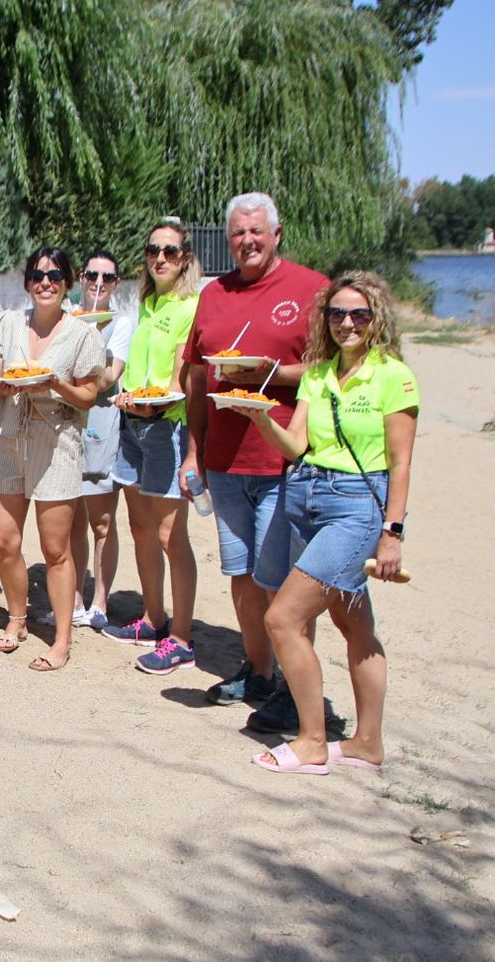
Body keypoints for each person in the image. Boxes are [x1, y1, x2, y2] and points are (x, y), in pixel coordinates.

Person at [231, 272, 417, 773]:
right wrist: (259, 416)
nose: (347, 323)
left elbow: (400, 464)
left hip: (357, 507)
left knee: (283, 618)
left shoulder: (392, 376)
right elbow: (296, 445)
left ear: (376, 317)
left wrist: (392, 534)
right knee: (353, 622)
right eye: (337, 314)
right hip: (307, 496)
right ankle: (366, 744)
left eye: (358, 313)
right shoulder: (318, 373)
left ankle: (313, 741)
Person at [180, 192, 328, 725]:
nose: (247, 241)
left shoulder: (311, 289)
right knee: (241, 574)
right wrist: (194, 451)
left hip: (285, 459)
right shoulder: (214, 293)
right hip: (223, 460)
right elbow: (198, 377)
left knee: (281, 579)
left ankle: (295, 686)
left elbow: (331, 371)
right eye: (238, 233)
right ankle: (258, 671)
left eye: (256, 231)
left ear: (277, 233)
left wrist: (270, 372)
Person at [0, 247, 106, 671]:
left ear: (67, 282)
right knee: (5, 541)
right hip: (8, 439)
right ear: (27, 282)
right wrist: (6, 386)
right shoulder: (9, 324)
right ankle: (17, 617)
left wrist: (56, 382)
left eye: (55, 275)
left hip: (57, 443)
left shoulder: (82, 335)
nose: (45, 282)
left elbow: (90, 394)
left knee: (55, 549)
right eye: (37, 274)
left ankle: (61, 640)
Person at [105, 222, 202, 674]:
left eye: (170, 251)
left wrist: (150, 400)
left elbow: (182, 375)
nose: (160, 258)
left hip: (166, 426)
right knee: (141, 528)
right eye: (152, 250)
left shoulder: (190, 306)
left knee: (170, 536)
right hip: (133, 424)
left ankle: (181, 637)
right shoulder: (148, 303)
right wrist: (129, 397)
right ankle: (153, 618)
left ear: (185, 257)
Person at [65, 250, 133, 630]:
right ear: (81, 278)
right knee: (70, 515)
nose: (98, 283)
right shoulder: (66, 315)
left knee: (102, 520)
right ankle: (73, 597)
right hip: (65, 423)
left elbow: (109, 377)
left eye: (107, 277)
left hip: (101, 423)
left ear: (116, 283)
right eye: (92, 275)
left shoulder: (120, 324)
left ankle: (100, 600)